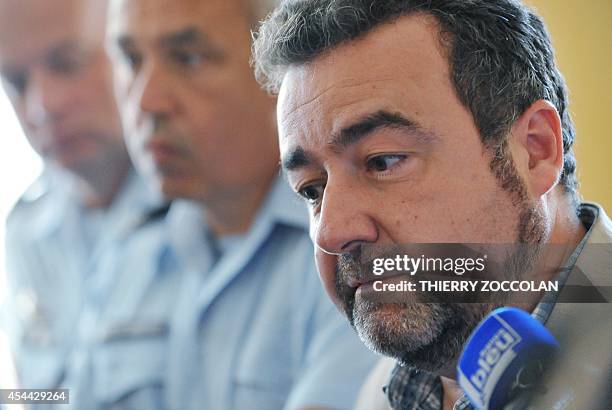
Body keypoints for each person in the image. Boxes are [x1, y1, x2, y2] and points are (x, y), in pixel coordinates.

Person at [252, 0, 612, 408]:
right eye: (312, 190)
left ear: (534, 151)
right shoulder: (389, 391)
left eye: (382, 162)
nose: (332, 231)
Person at [70, 0, 377, 408]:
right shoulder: (126, 254)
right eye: (130, 59)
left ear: (282, 75)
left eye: (188, 58)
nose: (146, 101)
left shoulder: (348, 251)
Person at [0, 0, 158, 390]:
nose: (42, 106)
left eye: (68, 63)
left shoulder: (207, 209)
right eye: (16, 82)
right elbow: (36, 395)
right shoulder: (25, 232)